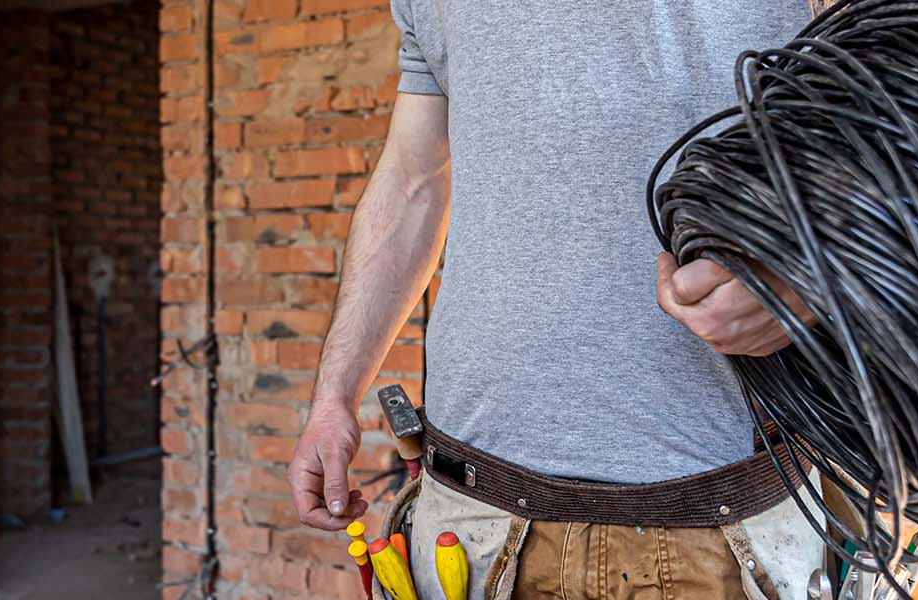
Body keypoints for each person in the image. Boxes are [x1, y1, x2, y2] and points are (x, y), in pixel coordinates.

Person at [288, 1, 828, 598]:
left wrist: (812, 278)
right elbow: (412, 180)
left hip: (726, 526)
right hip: (472, 524)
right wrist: (335, 397)